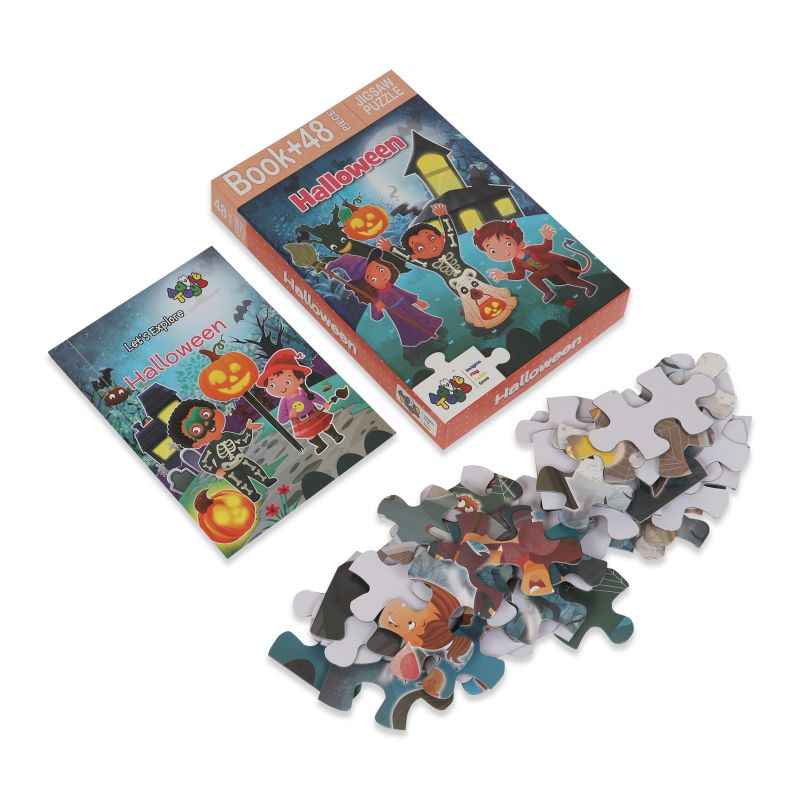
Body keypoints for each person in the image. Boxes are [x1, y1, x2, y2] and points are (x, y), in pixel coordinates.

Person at [335, 250, 443, 348]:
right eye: (373, 278)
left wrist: (417, 301)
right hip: (397, 314)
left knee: (422, 319)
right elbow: (376, 317)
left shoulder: (390, 286)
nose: (381, 276)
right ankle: (423, 343)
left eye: (381, 269)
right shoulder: (376, 297)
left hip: (408, 308)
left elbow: (403, 294)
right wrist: (378, 308)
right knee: (409, 328)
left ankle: (433, 333)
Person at [474, 220, 597, 304]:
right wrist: (505, 275)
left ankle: (589, 286)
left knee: (570, 280)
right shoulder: (516, 261)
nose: (503, 252)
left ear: (517, 241)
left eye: (508, 244)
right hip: (544, 271)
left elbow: (547, 247)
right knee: (532, 278)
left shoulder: (531, 249)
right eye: (493, 250)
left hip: (556, 265)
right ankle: (548, 292)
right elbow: (520, 275)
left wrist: (547, 238)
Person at [257, 348, 346, 454]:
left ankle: (335, 436)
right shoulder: (284, 401)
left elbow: (314, 396)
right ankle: (321, 444)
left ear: (300, 379)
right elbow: (281, 419)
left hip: (314, 414)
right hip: (301, 422)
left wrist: (324, 403)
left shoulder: (303, 392)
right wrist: (291, 415)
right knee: (310, 434)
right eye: (272, 385)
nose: (281, 388)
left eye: (287, 382)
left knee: (325, 425)